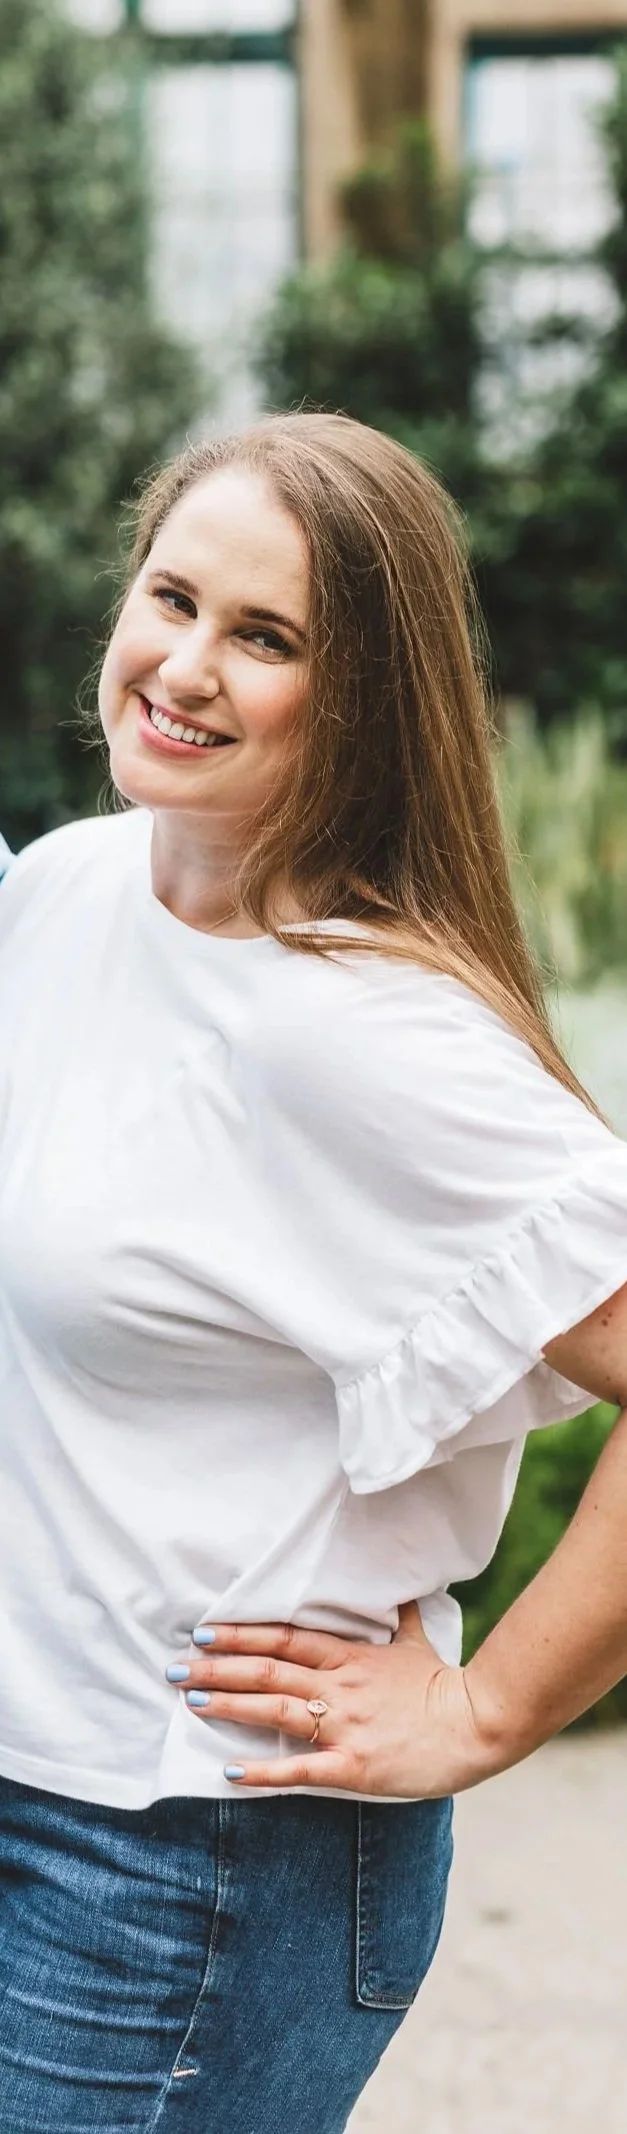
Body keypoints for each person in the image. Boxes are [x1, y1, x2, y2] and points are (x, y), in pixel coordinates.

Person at [1, 412, 626, 2134]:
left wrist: (491, 1702)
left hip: (185, 1861)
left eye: (265, 638)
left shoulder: (360, 1037)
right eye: (173, 596)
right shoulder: (63, 893)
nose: (185, 665)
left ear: (362, 700)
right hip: (35, 1769)